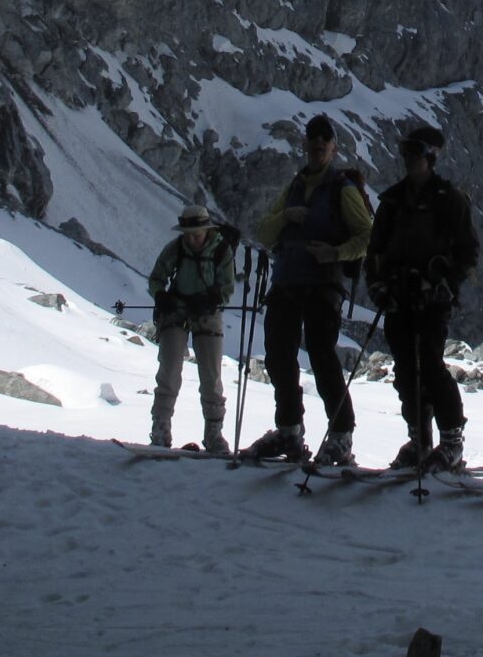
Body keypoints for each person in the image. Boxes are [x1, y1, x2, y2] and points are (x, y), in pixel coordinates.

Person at [242, 113, 370, 465]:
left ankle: (339, 433)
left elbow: (367, 236)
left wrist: (335, 253)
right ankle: (291, 430)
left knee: (320, 355)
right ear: (306, 145)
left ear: (333, 148)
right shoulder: (296, 187)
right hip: (288, 280)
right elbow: (264, 232)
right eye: (313, 140)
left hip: (320, 283)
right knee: (279, 355)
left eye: (324, 141)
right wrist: (287, 216)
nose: (318, 145)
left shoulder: (342, 188)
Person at [366, 123, 480, 470]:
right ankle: (420, 438)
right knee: (405, 370)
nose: (407, 159)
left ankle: (450, 440)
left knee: (430, 366)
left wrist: (444, 283)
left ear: (430, 157)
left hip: (432, 299)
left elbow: (468, 252)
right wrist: (378, 285)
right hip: (399, 295)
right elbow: (375, 250)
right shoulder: (392, 201)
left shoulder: (449, 201)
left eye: (414, 152)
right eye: (405, 152)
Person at [145, 204, 237, 453]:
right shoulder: (176, 248)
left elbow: (226, 289)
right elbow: (156, 279)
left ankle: (213, 433)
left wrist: (210, 300)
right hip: (178, 310)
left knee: (211, 376)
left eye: (195, 234)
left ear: (206, 230)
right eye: (188, 234)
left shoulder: (221, 250)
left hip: (205, 313)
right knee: (169, 370)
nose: (191, 239)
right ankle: (161, 429)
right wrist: (160, 296)